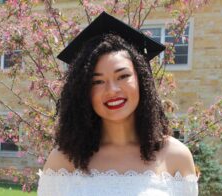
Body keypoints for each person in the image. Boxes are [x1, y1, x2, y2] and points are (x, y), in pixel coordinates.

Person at [37, 12, 198, 196]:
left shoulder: (176, 157)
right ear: (84, 92)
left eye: (123, 76)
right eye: (97, 81)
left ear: (141, 81)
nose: (112, 90)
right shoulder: (63, 161)